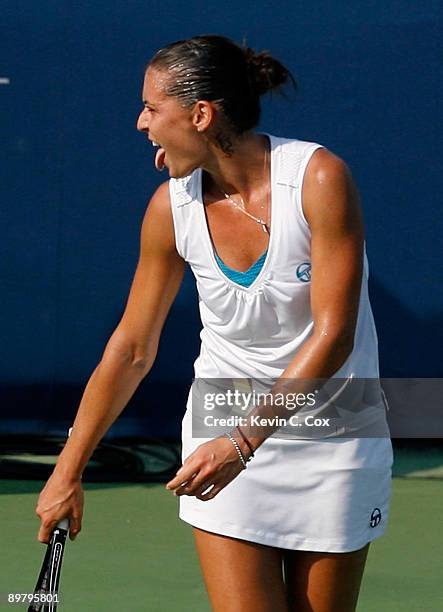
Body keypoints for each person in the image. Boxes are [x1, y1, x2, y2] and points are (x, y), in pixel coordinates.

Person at [35, 35, 393, 611]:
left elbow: (334, 335)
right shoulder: (167, 209)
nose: (140, 123)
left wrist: (244, 440)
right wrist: (65, 471)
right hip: (221, 434)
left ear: (200, 115)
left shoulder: (318, 179)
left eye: (153, 108)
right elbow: (130, 348)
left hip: (335, 434)